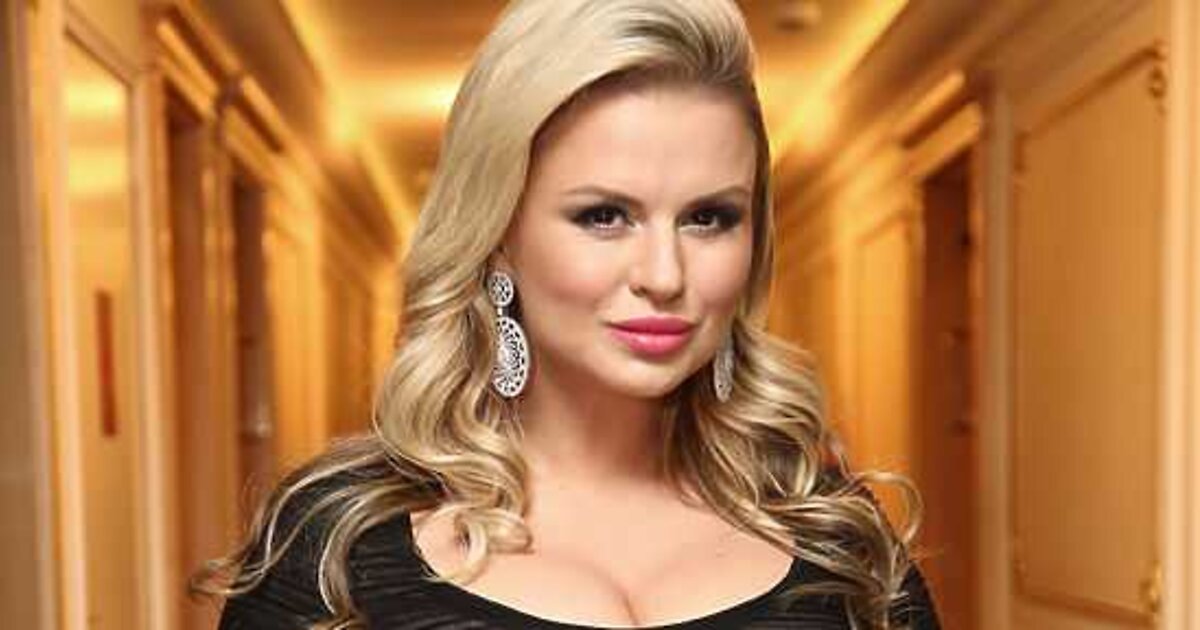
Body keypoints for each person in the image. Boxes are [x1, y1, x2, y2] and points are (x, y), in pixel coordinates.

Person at [198, 0, 941, 627]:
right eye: (604, 216)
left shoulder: (843, 543)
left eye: (708, 217)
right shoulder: (332, 548)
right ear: (497, 237)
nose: (664, 275)